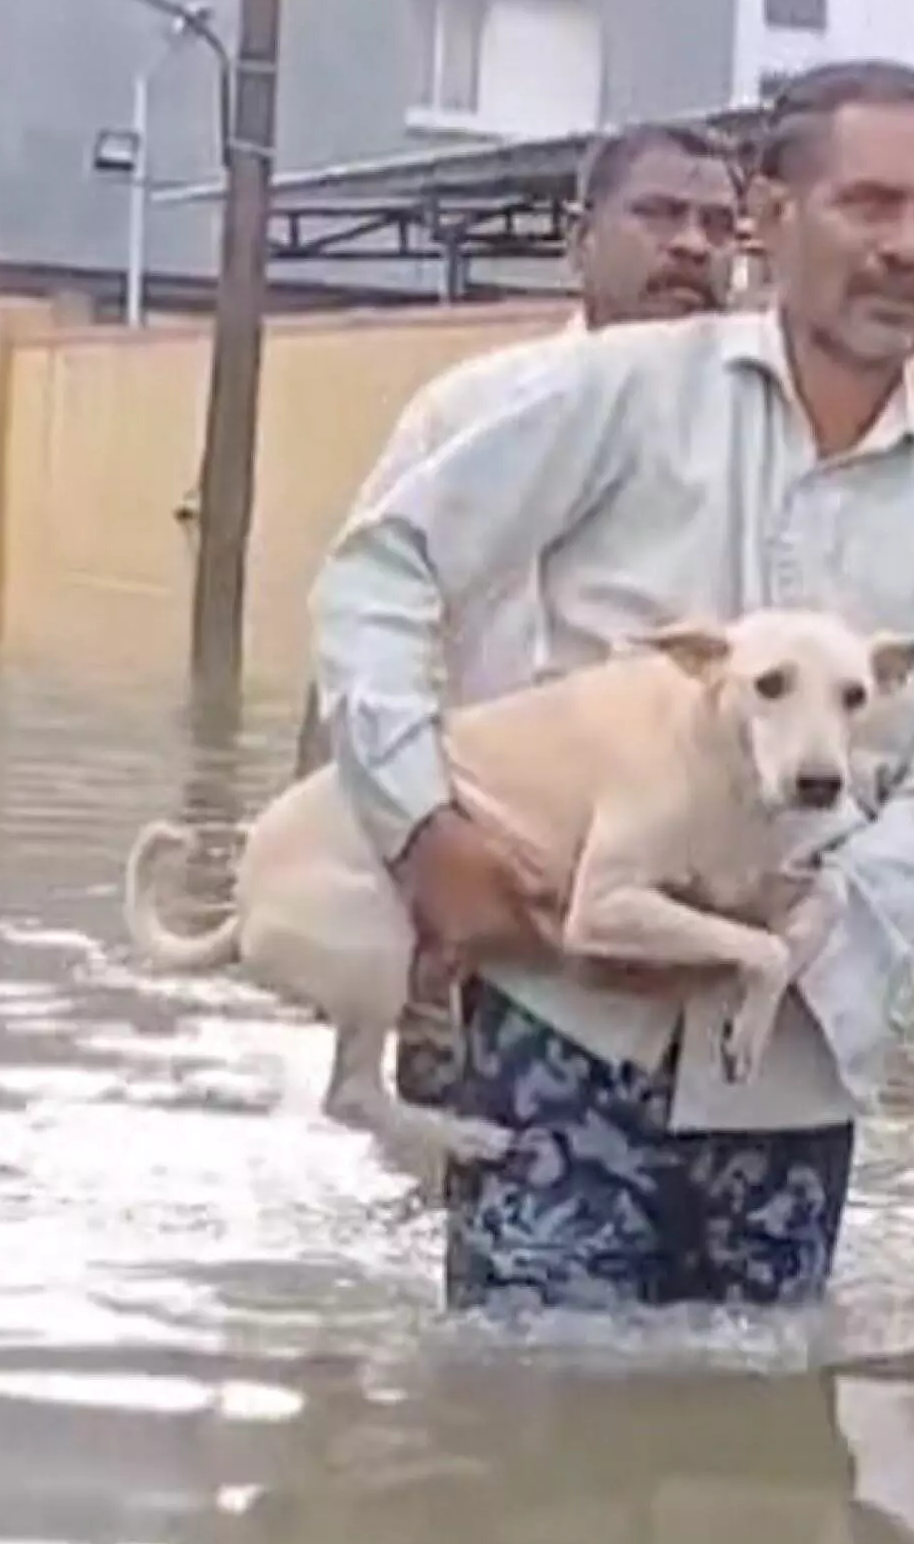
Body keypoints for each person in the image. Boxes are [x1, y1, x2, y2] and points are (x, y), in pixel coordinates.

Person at [310, 60, 914, 1311]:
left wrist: (775, 948)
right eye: (869, 204)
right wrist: (420, 830)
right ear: (772, 213)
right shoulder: (621, 397)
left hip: (793, 1068)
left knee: (758, 1450)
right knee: (523, 1421)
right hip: (552, 1017)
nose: (907, 247)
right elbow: (381, 570)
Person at [301, 118, 749, 1107]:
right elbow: (363, 622)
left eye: (719, 225)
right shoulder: (469, 412)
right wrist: (364, 848)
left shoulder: (750, 456)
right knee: (445, 1169)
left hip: (650, 921)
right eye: (659, 214)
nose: (692, 244)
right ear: (577, 240)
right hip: (461, 881)